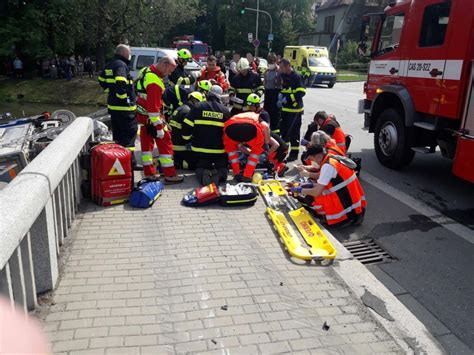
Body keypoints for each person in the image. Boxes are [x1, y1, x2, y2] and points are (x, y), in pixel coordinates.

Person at [135, 55, 184, 183]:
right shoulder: (155, 82)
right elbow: (153, 108)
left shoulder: (145, 71)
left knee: (146, 148)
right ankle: (170, 175)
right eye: (169, 71)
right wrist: (159, 127)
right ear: (164, 64)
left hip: (142, 117)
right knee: (166, 144)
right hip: (153, 119)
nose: (169, 74)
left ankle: (149, 173)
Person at [290, 145, 366, 226]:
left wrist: (299, 190)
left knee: (309, 199)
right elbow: (322, 175)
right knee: (310, 187)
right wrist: (307, 175)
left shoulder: (328, 166)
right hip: (350, 198)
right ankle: (353, 215)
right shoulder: (330, 158)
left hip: (345, 203)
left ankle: (341, 219)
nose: (312, 162)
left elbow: (316, 192)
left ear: (318, 156)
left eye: (312, 159)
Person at [182, 85, 231, 185]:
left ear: (208, 94)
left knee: (201, 166)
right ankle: (219, 173)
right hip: (219, 150)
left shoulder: (198, 107)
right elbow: (229, 132)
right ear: (219, 96)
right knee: (222, 166)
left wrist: (187, 140)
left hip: (199, 149)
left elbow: (186, 125)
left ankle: (203, 173)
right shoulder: (225, 111)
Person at [98, 44, 138, 162]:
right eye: (129, 53)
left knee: (118, 135)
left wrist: (110, 91)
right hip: (124, 109)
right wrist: (124, 98)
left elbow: (101, 79)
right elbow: (120, 81)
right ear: (124, 53)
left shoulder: (110, 63)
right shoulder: (121, 64)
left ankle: (119, 159)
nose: (130, 55)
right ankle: (130, 162)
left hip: (114, 107)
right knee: (129, 135)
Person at [246, 94, 288, 175]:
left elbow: (275, 144)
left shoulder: (263, 115)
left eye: (251, 106)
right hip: (275, 146)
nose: (249, 108)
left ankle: (280, 166)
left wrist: (265, 156)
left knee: (268, 167)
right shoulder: (256, 114)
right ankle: (277, 163)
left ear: (256, 105)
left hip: (281, 150)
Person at [223, 111, 268, 182]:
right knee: (256, 151)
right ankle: (246, 176)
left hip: (230, 127)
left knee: (231, 152)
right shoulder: (257, 117)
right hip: (250, 127)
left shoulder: (237, 116)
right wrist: (266, 143)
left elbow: (239, 144)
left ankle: (237, 173)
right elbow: (266, 126)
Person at [169, 91, 205, 169]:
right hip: (180, 146)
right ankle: (180, 163)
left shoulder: (182, 108)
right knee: (198, 163)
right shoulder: (188, 111)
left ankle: (178, 161)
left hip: (174, 143)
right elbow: (187, 131)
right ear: (195, 101)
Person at [279, 58, 306, 161]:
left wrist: (288, 99)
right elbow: (284, 89)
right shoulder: (285, 76)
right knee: (284, 132)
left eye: (282, 67)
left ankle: (294, 154)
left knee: (294, 133)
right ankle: (283, 152)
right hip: (285, 109)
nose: (280, 69)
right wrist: (281, 96)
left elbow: (301, 92)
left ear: (288, 66)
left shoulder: (297, 77)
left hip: (295, 110)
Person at [263, 54, 281, 134]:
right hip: (268, 94)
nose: (270, 63)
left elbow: (281, 83)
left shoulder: (279, 71)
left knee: (275, 117)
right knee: (267, 114)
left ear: (275, 61)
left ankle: (276, 134)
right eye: (269, 62)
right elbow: (264, 84)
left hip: (276, 94)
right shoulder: (266, 71)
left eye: (272, 61)